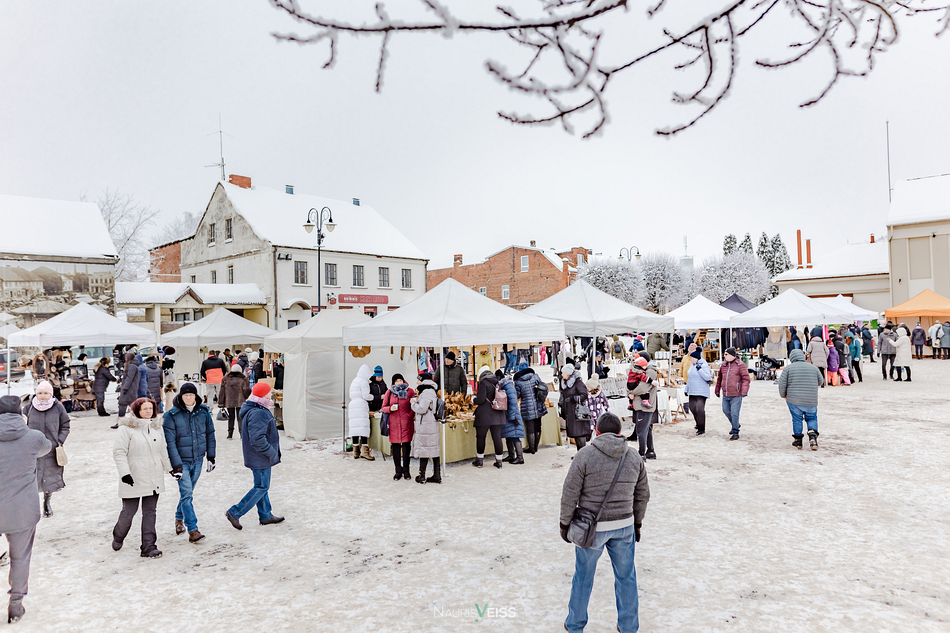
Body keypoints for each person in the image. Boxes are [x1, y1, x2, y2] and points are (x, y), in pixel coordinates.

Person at [559, 412, 650, 633]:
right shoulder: (634, 457)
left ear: (596, 431)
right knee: (626, 577)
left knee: (583, 577)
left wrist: (564, 524)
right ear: (620, 432)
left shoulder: (585, 455)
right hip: (624, 526)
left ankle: (575, 625)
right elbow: (643, 494)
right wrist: (637, 523)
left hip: (592, 529)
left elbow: (570, 492)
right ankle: (628, 626)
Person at [0, 395, 52, 624]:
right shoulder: (33, 437)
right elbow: (46, 448)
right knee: (20, 557)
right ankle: (15, 604)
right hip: (22, 509)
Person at [111, 397, 172, 558]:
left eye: (150, 409)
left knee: (150, 511)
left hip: (153, 475)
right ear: (137, 410)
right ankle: (118, 534)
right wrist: (125, 473)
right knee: (129, 511)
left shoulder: (157, 427)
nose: (148, 412)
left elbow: (163, 449)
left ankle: (148, 546)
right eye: (144, 409)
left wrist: (169, 468)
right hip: (133, 476)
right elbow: (119, 452)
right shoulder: (126, 428)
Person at [225, 382, 284, 530]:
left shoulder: (256, 408)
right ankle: (235, 512)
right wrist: (271, 452)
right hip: (260, 456)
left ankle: (265, 515)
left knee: (261, 486)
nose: (271, 395)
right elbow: (257, 439)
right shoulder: (258, 412)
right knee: (262, 486)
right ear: (263, 395)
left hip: (257, 455)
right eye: (268, 393)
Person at [163, 382, 216, 543]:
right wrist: (176, 465)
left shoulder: (203, 412)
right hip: (182, 461)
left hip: (198, 459)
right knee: (186, 494)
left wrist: (211, 457)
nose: (188, 398)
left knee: (188, 493)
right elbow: (170, 442)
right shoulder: (171, 416)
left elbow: (210, 434)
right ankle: (193, 529)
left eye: (191, 395)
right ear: (180, 396)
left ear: (195, 396)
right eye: (185, 395)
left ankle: (179, 518)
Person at [23, 381, 70, 518]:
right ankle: (32, 506)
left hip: (51, 448)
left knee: (49, 477)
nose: (42, 396)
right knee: (31, 477)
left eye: (45, 393)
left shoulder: (58, 407)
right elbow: (21, 425)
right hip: (33, 449)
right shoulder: (28, 408)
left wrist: (59, 441)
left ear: (50, 394)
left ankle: (47, 502)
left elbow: (65, 425)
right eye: (40, 393)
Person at [778, 349, 825, 450]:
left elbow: (782, 385)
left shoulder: (788, 369)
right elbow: (821, 381)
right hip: (811, 400)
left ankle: (798, 441)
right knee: (812, 418)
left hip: (794, 400)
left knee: (797, 419)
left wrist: (783, 396)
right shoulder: (814, 368)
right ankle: (813, 437)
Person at [472, 366, 507, 468]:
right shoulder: (497, 382)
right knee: (497, 438)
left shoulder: (483, 383)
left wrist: (474, 400)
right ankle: (499, 461)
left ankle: (479, 460)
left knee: (481, 437)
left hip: (485, 415)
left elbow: (481, 399)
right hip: (498, 414)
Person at [409, 373, 441, 484]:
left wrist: (413, 404)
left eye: (418, 380)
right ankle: (437, 475)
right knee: (433, 449)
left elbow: (422, 408)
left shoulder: (426, 391)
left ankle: (421, 476)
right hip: (430, 424)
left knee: (425, 450)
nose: (417, 382)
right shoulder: (431, 390)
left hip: (426, 425)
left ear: (422, 380)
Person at [383, 374, 415, 481]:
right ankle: (398, 471)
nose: (399, 383)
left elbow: (414, 406)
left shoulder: (409, 391)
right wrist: (390, 409)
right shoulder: (389, 392)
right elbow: (383, 408)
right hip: (394, 424)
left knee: (406, 447)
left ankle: (406, 471)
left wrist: (409, 416)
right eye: (396, 381)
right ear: (393, 382)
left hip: (406, 423)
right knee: (396, 448)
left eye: (400, 380)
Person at [715, 348, 749, 440]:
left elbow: (746, 379)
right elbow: (719, 379)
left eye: (726, 354)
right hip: (726, 393)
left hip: (736, 394)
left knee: (734, 413)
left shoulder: (741, 365)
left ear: (732, 355)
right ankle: (736, 424)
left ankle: (735, 432)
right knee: (725, 410)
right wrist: (717, 390)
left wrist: (744, 391)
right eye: (724, 354)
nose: (724, 356)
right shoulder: (723, 365)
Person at [513, 362, 548, 455]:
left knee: (530, 429)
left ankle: (531, 448)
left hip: (527, 407)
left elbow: (517, 395)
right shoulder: (535, 376)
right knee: (538, 426)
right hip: (538, 404)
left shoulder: (518, 381)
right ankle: (536, 447)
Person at [561, 364, 592, 453]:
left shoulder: (578, 383)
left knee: (580, 434)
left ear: (568, 373)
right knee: (576, 434)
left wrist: (572, 398)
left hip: (578, 413)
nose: (562, 374)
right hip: (570, 412)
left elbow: (584, 395)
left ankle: (583, 455)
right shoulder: (565, 383)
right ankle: (579, 454)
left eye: (563, 373)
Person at [496, 370, 525, 465]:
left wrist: (512, 416)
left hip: (513, 416)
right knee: (508, 436)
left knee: (515, 436)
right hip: (508, 414)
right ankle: (511, 455)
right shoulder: (504, 386)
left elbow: (513, 402)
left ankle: (520, 457)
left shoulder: (508, 386)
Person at [348, 364, 375, 461]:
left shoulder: (354, 380)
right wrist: (375, 397)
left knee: (355, 428)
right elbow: (366, 395)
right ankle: (364, 451)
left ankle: (355, 451)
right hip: (361, 405)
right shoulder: (363, 381)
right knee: (363, 428)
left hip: (352, 405)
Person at [220, 362, 251, 440]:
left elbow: (222, 392)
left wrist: (221, 403)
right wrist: (246, 396)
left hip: (229, 401)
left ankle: (230, 434)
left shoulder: (226, 378)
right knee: (240, 417)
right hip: (240, 401)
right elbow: (246, 390)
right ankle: (241, 434)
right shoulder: (243, 378)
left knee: (231, 417)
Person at [685, 352, 712, 435]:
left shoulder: (704, 365)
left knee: (699, 409)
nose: (690, 360)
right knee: (692, 408)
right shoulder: (692, 366)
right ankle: (698, 422)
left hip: (701, 391)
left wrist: (700, 369)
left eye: (691, 358)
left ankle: (701, 427)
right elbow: (690, 378)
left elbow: (708, 377)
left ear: (696, 358)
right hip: (693, 391)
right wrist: (686, 389)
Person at [117, 352, 140, 421]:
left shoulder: (131, 366)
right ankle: (136, 420)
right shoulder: (132, 365)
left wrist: (124, 388)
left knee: (122, 405)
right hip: (131, 389)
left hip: (129, 389)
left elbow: (129, 378)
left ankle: (121, 421)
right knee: (132, 406)